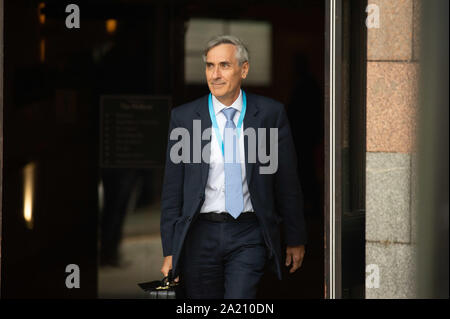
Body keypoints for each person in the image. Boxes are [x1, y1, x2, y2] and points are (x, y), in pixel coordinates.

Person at [160, 35, 307, 299]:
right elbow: (172, 190)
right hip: (199, 234)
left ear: (244, 69)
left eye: (224, 65)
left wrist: (295, 238)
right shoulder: (184, 118)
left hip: (248, 233)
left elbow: (287, 181)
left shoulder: (269, 115)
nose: (215, 74)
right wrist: (171, 250)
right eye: (209, 66)